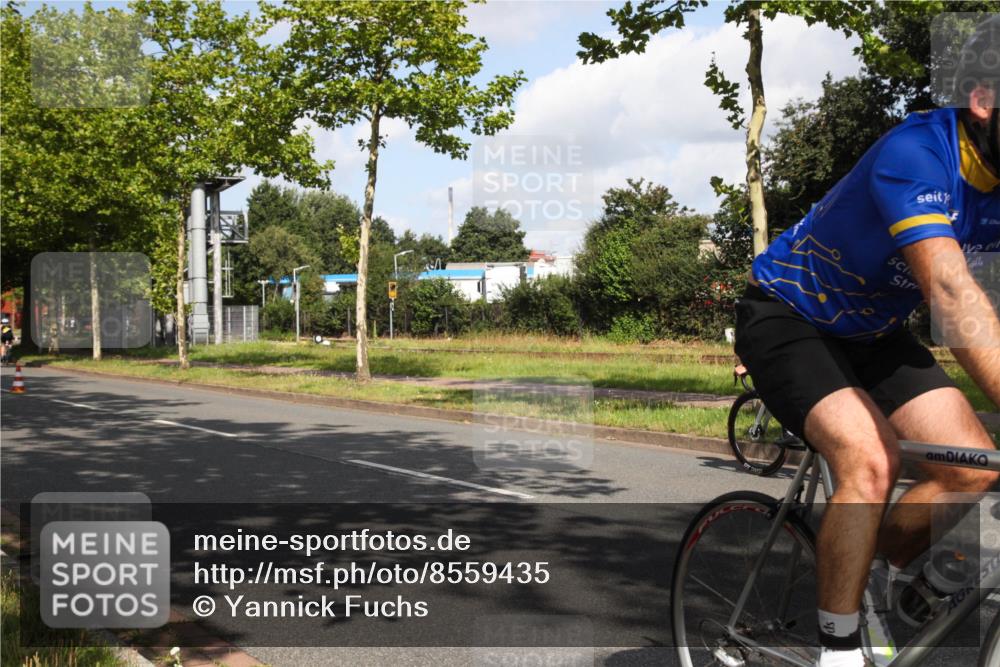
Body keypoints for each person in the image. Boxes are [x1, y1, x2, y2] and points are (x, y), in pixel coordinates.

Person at [734, 15, 1000, 667]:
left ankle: (875, 564)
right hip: (788, 317)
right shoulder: (916, 154)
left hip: (873, 330)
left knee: (977, 465)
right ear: (985, 101)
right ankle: (839, 648)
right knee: (870, 458)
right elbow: (949, 293)